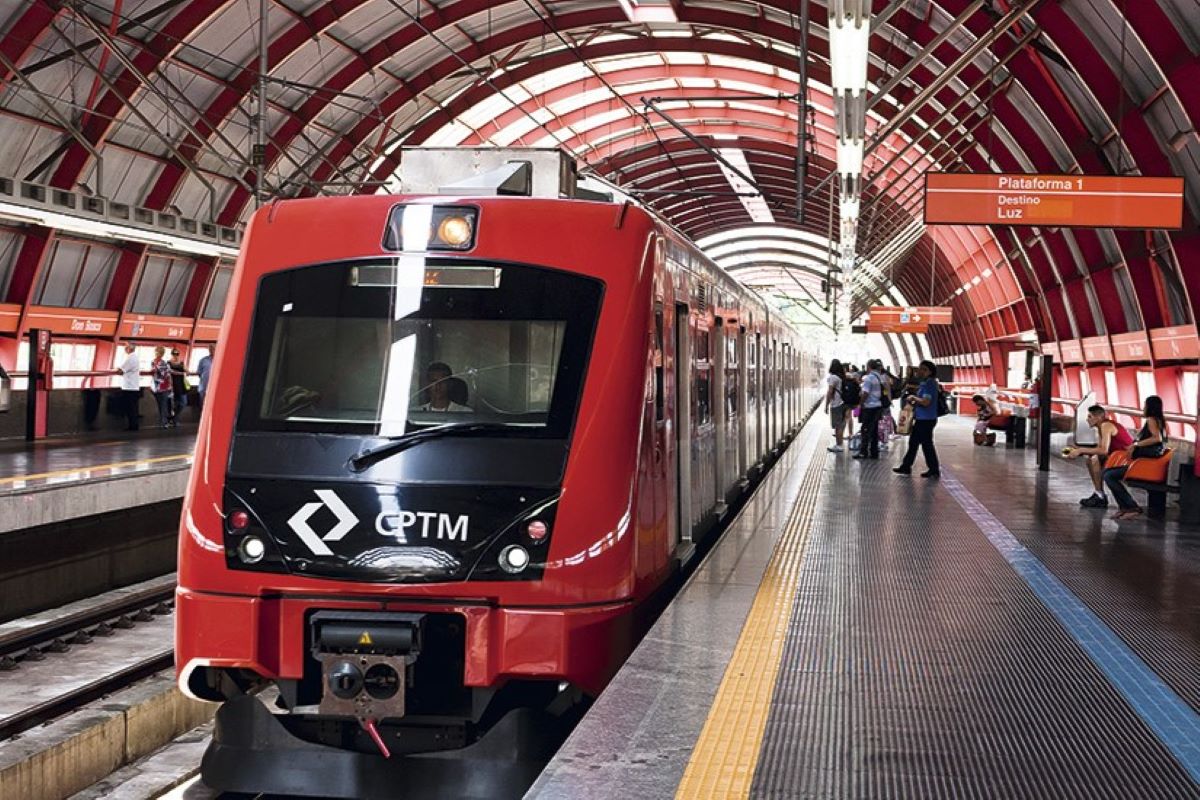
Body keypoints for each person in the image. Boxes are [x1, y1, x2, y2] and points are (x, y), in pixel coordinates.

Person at [1101, 396, 1167, 520]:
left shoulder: (1151, 420)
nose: (1143, 407)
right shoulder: (1160, 420)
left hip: (1145, 465)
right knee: (1107, 474)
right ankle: (1124, 508)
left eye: (1145, 405)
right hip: (1145, 463)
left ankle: (1131, 507)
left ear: (1149, 407)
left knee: (1109, 475)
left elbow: (1157, 438)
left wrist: (1136, 444)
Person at [1063, 404, 1134, 508]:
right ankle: (1099, 494)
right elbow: (1099, 448)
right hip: (1117, 457)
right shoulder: (1101, 427)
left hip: (1125, 459)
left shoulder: (1106, 426)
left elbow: (1103, 450)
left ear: (1099, 417)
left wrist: (1081, 450)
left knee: (1095, 459)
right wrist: (1077, 450)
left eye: (1090, 416)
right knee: (1090, 459)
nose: (1087, 419)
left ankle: (1100, 496)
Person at [894, 360, 941, 478]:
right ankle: (906, 466)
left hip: (926, 419)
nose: (920, 371)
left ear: (930, 372)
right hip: (923, 418)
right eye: (920, 369)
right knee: (914, 442)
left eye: (924, 369)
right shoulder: (926, 383)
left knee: (926, 444)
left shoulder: (929, 384)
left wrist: (913, 398)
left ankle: (934, 469)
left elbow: (926, 402)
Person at [854, 359, 884, 460]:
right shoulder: (879, 377)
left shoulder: (869, 378)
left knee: (865, 430)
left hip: (869, 407)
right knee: (874, 430)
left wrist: (860, 404)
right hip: (878, 406)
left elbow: (865, 393)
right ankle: (874, 452)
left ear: (868, 367)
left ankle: (863, 452)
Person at [113, 343, 141, 431]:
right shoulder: (135, 357)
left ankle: (132, 426)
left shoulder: (130, 358)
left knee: (130, 408)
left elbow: (121, 370)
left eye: (126, 347)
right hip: (134, 386)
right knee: (133, 407)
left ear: (129, 348)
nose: (125, 349)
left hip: (129, 387)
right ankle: (134, 425)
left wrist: (116, 369)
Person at [824, 359, 847, 453]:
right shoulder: (841, 376)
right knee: (840, 425)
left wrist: (826, 405)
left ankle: (839, 445)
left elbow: (830, 392)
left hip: (836, 404)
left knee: (838, 426)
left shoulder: (833, 377)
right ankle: (839, 444)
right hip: (843, 403)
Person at [150, 346, 173, 428]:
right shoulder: (155, 362)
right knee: (161, 405)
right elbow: (167, 374)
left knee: (162, 405)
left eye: (157, 352)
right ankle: (164, 422)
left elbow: (165, 374)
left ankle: (164, 422)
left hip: (161, 387)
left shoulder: (160, 363)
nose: (156, 353)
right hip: (159, 387)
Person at [169, 349, 188, 425]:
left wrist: (184, 369)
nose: (176, 356)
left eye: (177, 354)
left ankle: (174, 417)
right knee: (175, 403)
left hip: (181, 385)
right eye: (174, 354)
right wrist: (181, 373)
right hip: (172, 385)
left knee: (183, 402)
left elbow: (187, 371)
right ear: (172, 354)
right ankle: (175, 420)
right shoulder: (169, 363)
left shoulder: (181, 363)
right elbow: (170, 372)